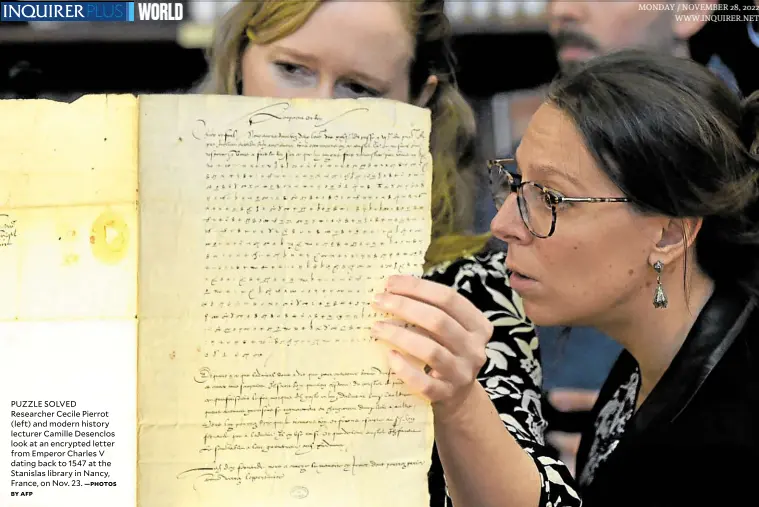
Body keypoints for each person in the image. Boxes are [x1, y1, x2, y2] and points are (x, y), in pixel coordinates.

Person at [196, 2, 557, 506]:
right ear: (239, 65)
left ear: (418, 98)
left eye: (359, 88)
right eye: (293, 70)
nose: (318, 113)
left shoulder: (471, 291)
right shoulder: (158, 255)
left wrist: (458, 403)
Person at [372, 49, 759, 506]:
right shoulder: (663, 354)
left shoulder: (727, 436)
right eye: (517, 182)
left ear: (670, 236)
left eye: (552, 198)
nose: (502, 224)